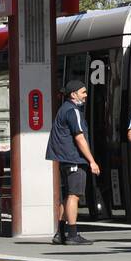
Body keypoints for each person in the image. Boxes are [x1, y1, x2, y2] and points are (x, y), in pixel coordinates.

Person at [46, 80, 100, 245]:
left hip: (64, 159)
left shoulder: (64, 109)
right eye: (83, 92)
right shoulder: (73, 111)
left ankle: (60, 233)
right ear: (73, 94)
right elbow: (79, 137)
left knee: (67, 196)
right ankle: (72, 234)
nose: (85, 96)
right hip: (74, 158)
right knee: (73, 196)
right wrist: (92, 161)